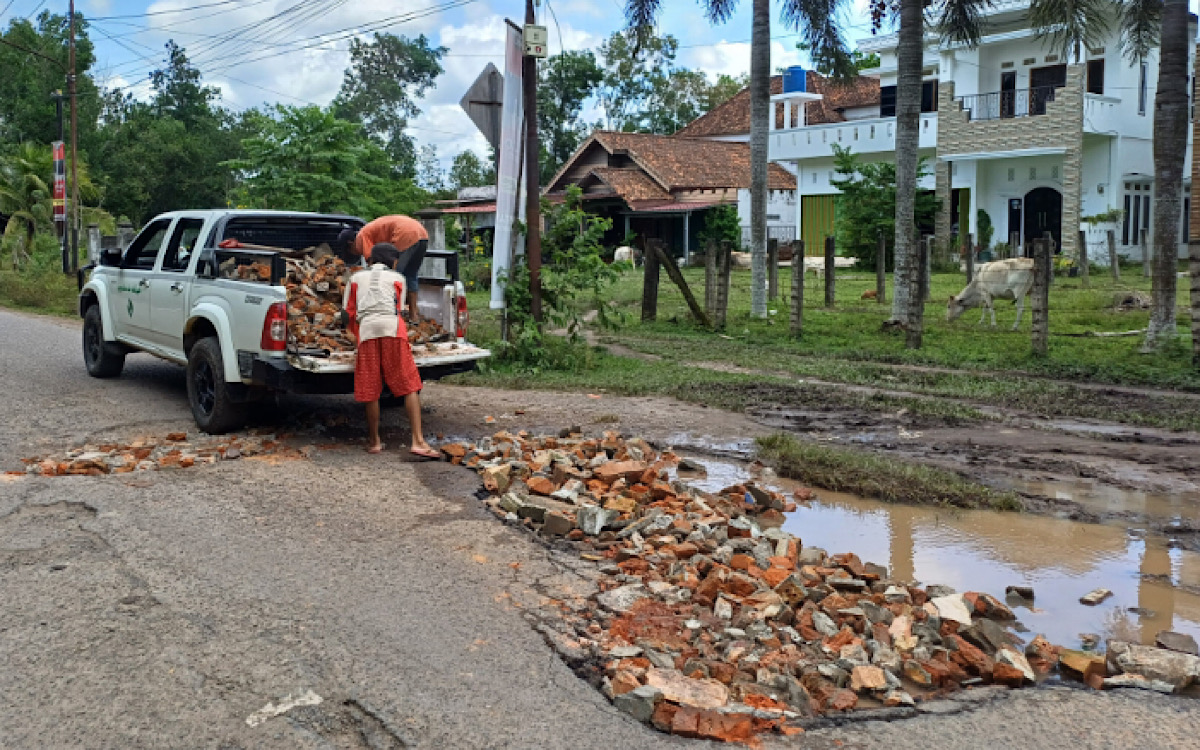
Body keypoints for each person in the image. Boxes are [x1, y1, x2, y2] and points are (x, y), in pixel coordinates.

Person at [341, 242, 440, 459]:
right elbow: (397, 309)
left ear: (370, 260)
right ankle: (418, 441)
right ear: (393, 262)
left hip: (367, 331)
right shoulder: (398, 278)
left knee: (371, 387)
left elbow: (348, 312)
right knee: (409, 384)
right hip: (392, 330)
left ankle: (375, 441)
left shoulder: (355, 278)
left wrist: (355, 335)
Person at [337, 215, 428, 320]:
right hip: (422, 233)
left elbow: (373, 265)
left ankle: (391, 314)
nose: (354, 253)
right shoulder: (369, 231)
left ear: (350, 243)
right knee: (411, 275)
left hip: (404, 233)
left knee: (391, 277)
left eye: (349, 251)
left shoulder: (361, 238)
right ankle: (413, 315)